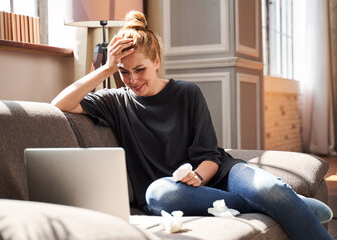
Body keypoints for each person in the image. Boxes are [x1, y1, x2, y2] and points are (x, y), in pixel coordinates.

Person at [52, 10, 333, 240]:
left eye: (140, 69)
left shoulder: (187, 92)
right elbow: (59, 105)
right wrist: (107, 68)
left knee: (268, 187)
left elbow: (210, 156)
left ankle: (276, 198)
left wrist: (198, 177)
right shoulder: (114, 102)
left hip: (219, 174)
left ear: (157, 61)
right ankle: (283, 205)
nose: (133, 79)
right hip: (177, 193)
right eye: (124, 72)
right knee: (157, 193)